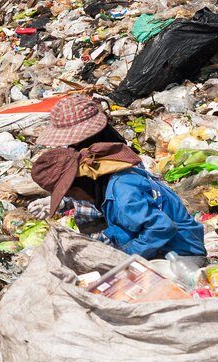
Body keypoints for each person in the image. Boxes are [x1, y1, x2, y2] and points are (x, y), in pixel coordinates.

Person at [29, 95, 204, 257]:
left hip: (178, 249)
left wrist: (125, 256)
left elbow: (160, 228)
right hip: (140, 230)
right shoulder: (100, 173)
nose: (73, 198)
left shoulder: (119, 187)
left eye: (72, 194)